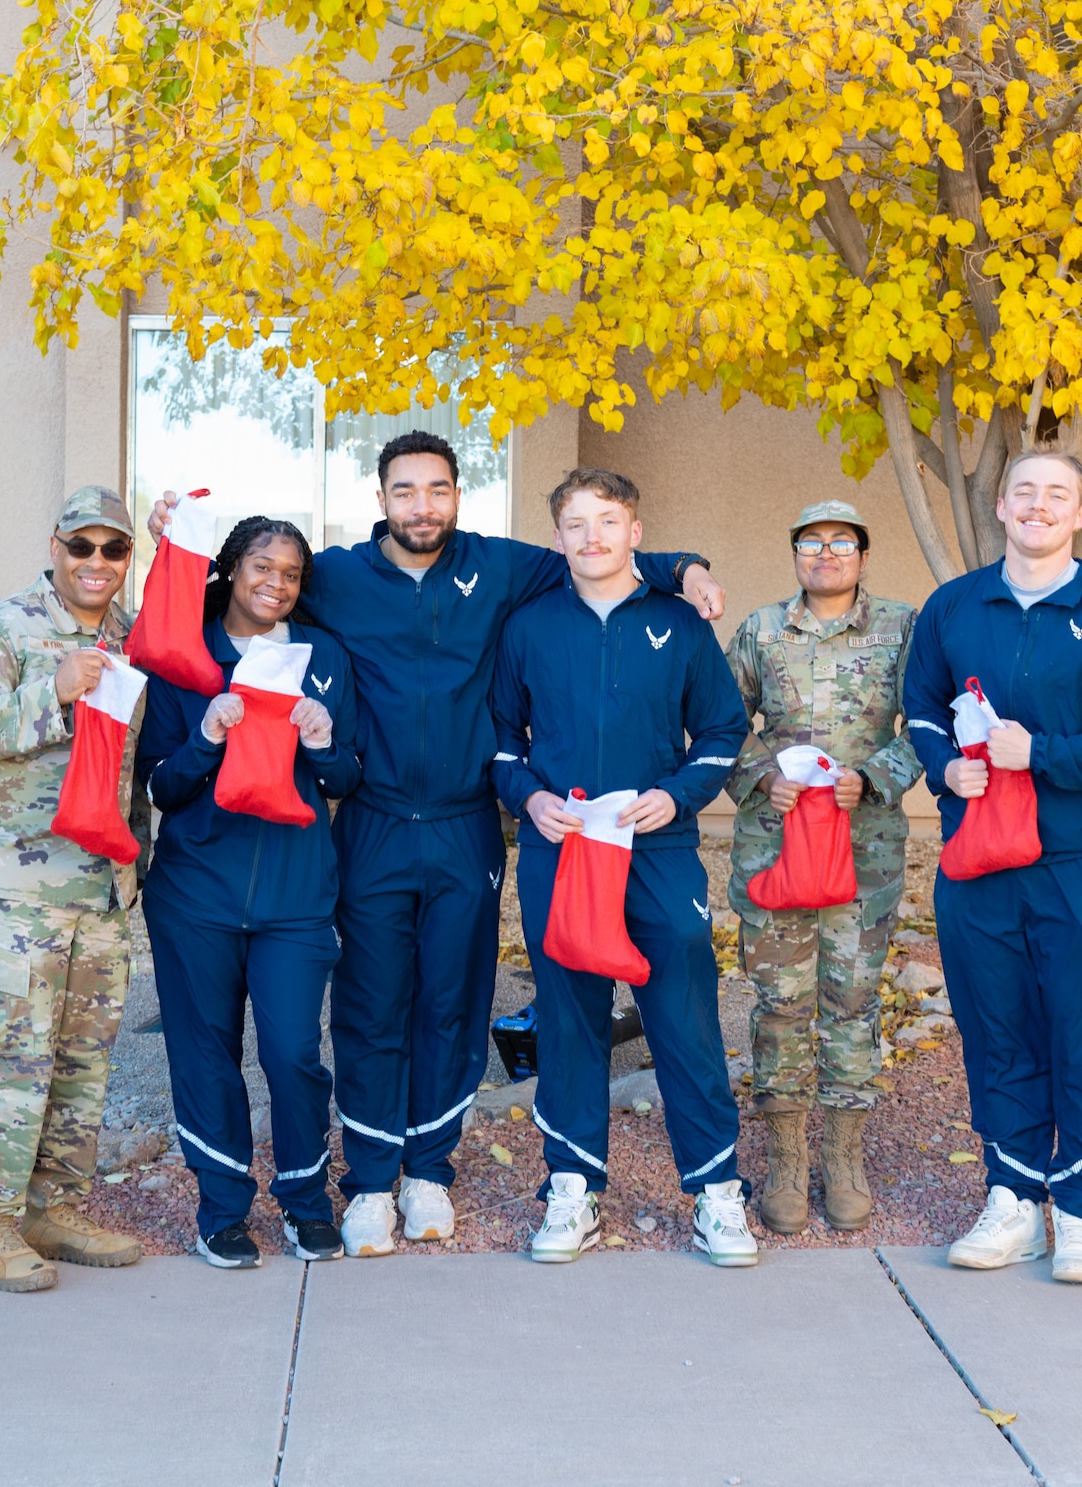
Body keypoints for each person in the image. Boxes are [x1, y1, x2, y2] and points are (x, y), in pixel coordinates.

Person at [152, 431, 725, 1257]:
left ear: (459, 496)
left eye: (438, 490)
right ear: (380, 498)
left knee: (451, 1004)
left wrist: (686, 568)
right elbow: (240, 598)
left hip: (465, 824)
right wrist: (177, 545)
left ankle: (429, 1173)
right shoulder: (336, 577)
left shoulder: (502, 567)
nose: (423, 506)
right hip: (372, 821)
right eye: (405, 491)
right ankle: (372, 1184)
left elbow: (603, 552)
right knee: (370, 1004)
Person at [903, 449, 1082, 1285]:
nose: (1039, 507)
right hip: (978, 854)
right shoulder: (953, 606)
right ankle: (1013, 1194)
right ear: (1003, 507)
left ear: (1080, 514)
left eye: (1058, 495)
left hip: (1079, 858)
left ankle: (1081, 1208)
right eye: (1025, 493)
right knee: (996, 1021)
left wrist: (1036, 752)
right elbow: (918, 710)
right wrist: (945, 767)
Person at [491, 468, 756, 1265]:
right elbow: (502, 742)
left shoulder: (678, 623)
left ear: (636, 532)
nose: (593, 537)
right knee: (570, 1021)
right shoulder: (528, 625)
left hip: (658, 852)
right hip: (562, 849)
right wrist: (529, 800)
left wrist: (677, 797)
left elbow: (720, 732)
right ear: (560, 537)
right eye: (576, 524)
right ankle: (572, 1191)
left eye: (608, 521)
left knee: (684, 1017)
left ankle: (717, 1193)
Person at [0, 487, 149, 1291]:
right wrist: (48, 692)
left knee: (82, 1064)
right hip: (15, 891)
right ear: (54, 546)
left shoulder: (132, 637)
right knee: (11, 1064)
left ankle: (53, 1210)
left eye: (114, 549)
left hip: (99, 892)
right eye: (81, 546)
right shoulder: (2, 628)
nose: (97, 563)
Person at [135, 517, 361, 1268]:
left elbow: (346, 781)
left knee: (294, 1051)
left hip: (297, 899)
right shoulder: (186, 654)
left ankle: (304, 1199)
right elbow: (162, 783)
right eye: (262, 567)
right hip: (196, 894)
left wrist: (325, 742)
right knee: (205, 1053)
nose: (277, 583)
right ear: (231, 569)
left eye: (291, 573)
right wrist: (206, 735)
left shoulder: (321, 655)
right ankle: (222, 1207)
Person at [727, 500, 921, 1234]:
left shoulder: (902, 628)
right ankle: (783, 1156)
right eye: (811, 542)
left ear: (863, 555)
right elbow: (717, 721)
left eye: (842, 541)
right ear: (796, 554)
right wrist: (757, 776)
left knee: (851, 1000)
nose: (826, 553)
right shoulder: (760, 631)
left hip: (861, 849)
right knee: (780, 1002)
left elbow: (928, 725)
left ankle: (841, 1156)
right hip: (775, 846)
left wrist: (875, 776)